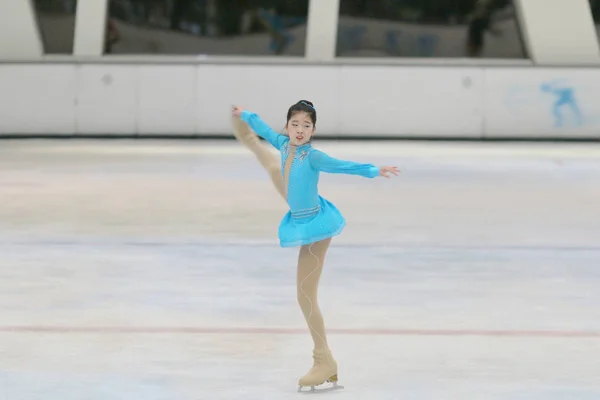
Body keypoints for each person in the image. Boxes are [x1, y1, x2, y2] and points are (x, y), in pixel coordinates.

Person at [231, 100, 399, 392]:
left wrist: (374, 170)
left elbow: (344, 166)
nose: (299, 130)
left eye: (306, 126)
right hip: (296, 213)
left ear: (313, 131)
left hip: (316, 227)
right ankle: (248, 142)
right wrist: (244, 115)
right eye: (295, 124)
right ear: (287, 127)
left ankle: (324, 361)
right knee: (273, 166)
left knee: (304, 296)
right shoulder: (282, 143)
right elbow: (262, 127)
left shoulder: (313, 157)